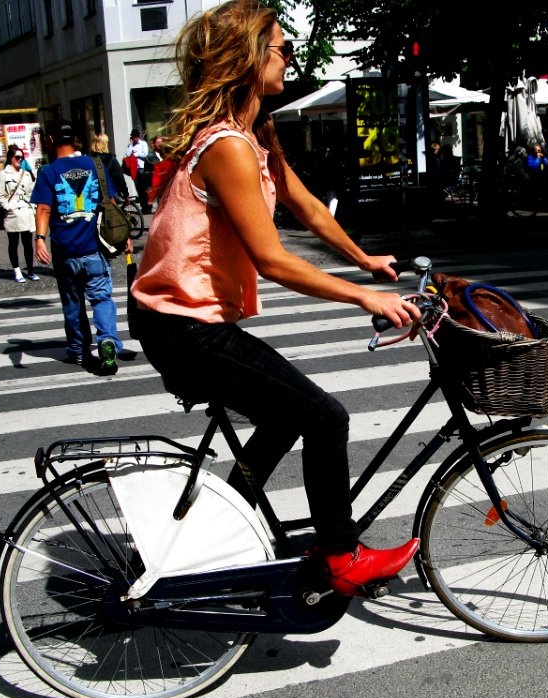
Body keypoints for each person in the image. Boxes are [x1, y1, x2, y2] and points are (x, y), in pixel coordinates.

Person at [131, 0, 422, 597]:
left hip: (184, 318)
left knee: (286, 415)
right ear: (247, 56)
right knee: (323, 416)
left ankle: (219, 522)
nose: (288, 55)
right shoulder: (227, 148)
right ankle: (339, 556)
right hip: (181, 324)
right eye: (279, 46)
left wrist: (363, 257)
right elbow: (272, 259)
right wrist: (363, 296)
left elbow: (307, 205)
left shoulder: (254, 134)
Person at [32, 118, 125, 375]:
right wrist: (124, 236)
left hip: (65, 251)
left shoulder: (48, 172)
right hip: (94, 249)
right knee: (102, 298)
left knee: (73, 304)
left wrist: (40, 239)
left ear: (50, 141)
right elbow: (111, 203)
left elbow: (43, 208)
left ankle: (78, 350)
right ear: (75, 139)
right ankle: (107, 340)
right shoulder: (95, 165)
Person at [0, 144, 39, 283]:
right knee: (13, 243)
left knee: (28, 243)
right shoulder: (3, 175)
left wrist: (32, 207)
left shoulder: (26, 174)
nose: (20, 159)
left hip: (25, 211)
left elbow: (31, 192)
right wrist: (8, 206)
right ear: (10, 158)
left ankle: (31, 270)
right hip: (12, 213)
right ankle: (17, 271)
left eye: (22, 157)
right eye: (17, 157)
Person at [88, 132, 129, 199]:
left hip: (92, 193)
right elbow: (119, 177)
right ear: (105, 144)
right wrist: (125, 194)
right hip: (109, 192)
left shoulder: (88, 158)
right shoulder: (111, 158)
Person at [124, 129, 151, 211]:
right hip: (134, 169)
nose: (136, 138)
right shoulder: (131, 145)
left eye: (137, 137)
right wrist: (131, 145)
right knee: (138, 188)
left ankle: (147, 206)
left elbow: (145, 154)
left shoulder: (143, 144)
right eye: (134, 137)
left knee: (145, 188)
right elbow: (127, 154)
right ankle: (143, 206)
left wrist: (136, 154)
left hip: (142, 168)